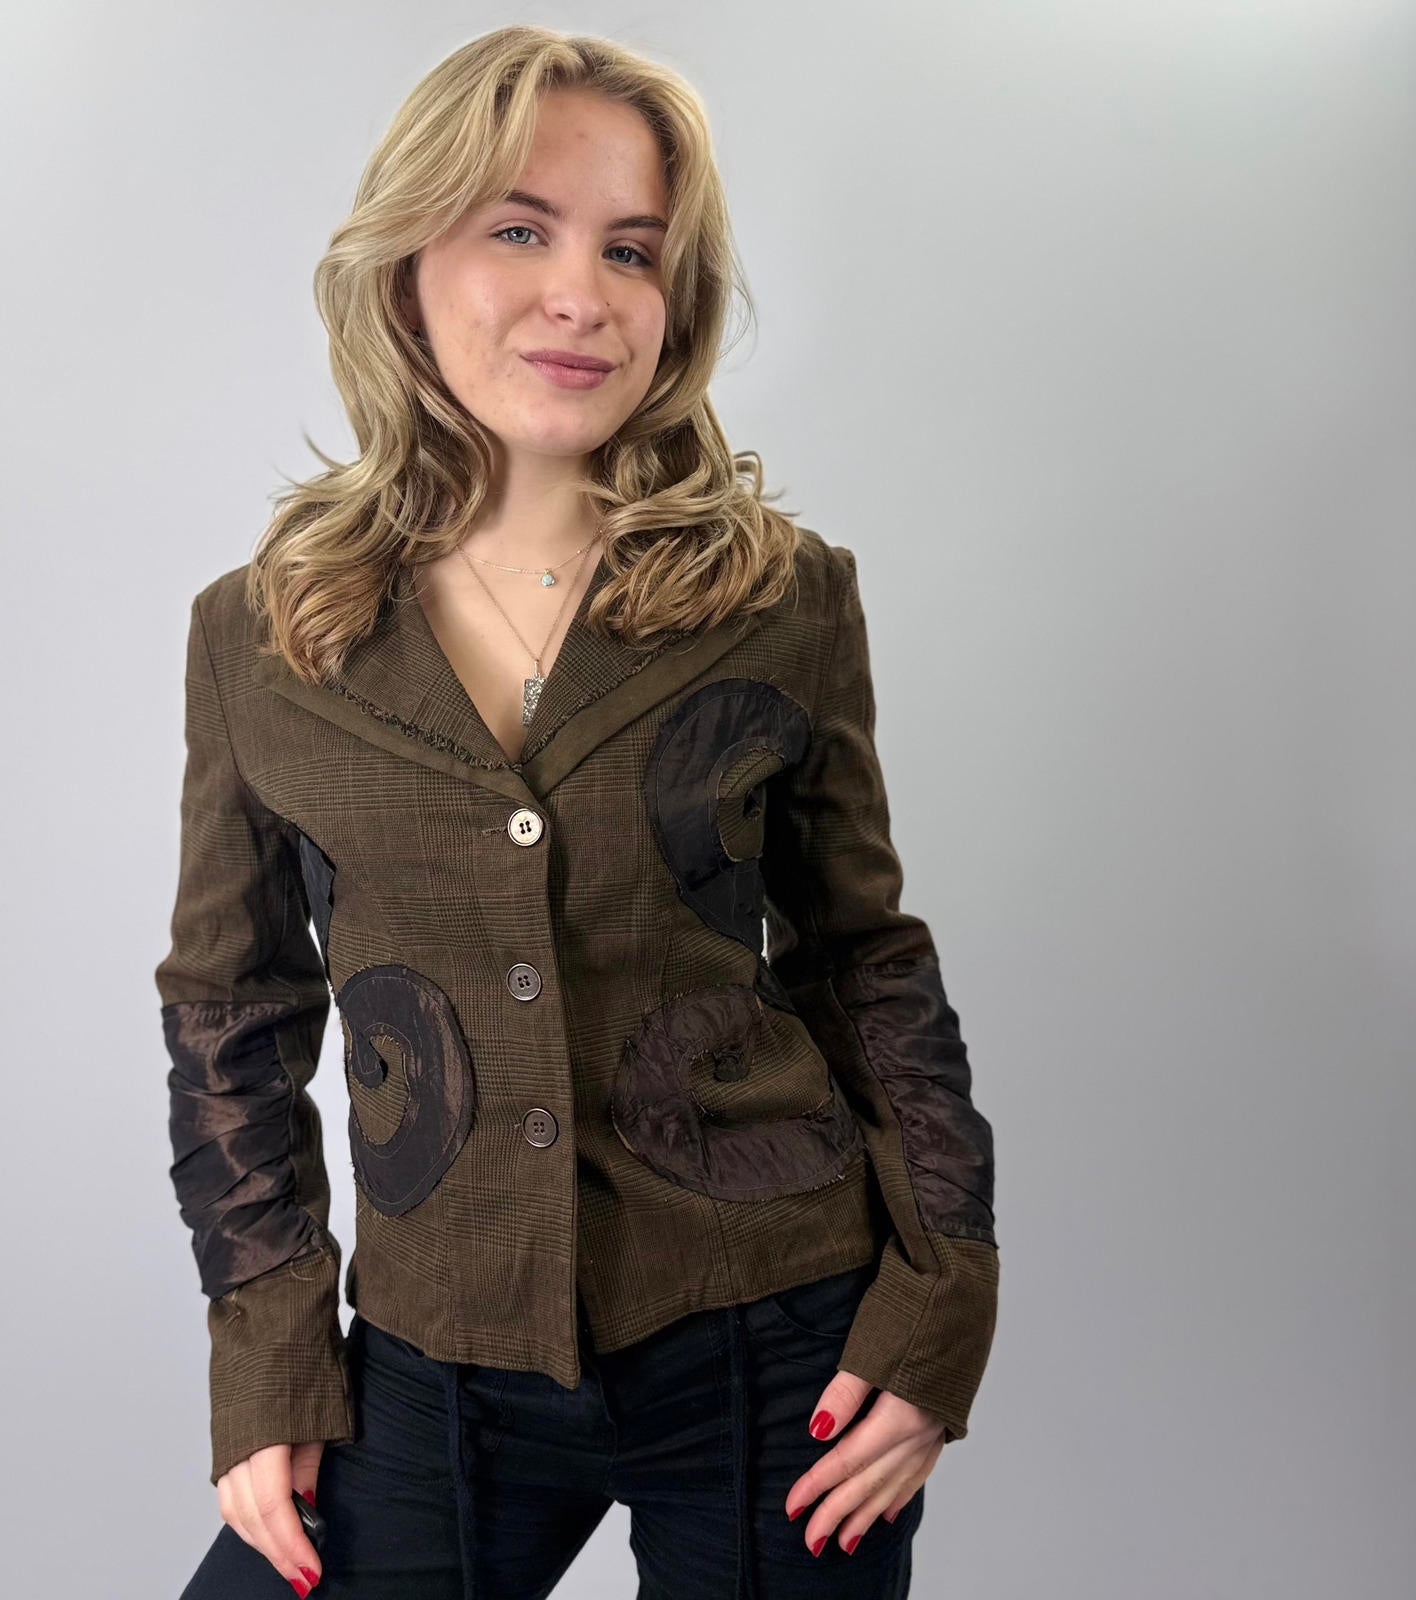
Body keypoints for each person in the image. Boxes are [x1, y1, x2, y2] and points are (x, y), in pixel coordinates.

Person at [157, 24, 999, 1600]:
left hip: (775, 1351)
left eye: (631, 250)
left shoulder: (784, 599)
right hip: (438, 1363)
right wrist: (268, 1355)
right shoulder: (259, 636)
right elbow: (232, 1013)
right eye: (520, 230)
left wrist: (941, 1306)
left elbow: (865, 962)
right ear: (408, 266)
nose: (580, 294)